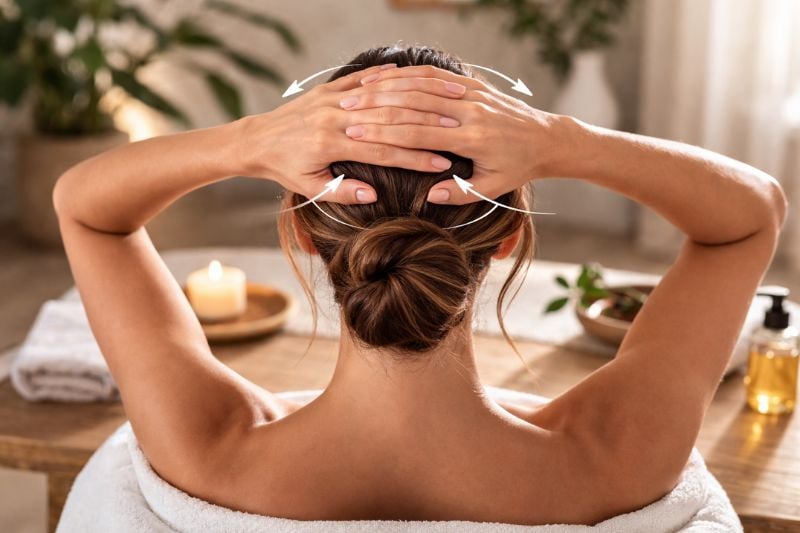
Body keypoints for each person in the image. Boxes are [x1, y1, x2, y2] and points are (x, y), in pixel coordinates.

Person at [53, 45, 786, 525]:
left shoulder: (208, 448)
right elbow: (752, 213)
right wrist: (563, 139)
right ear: (507, 235)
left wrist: (250, 139)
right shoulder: (612, 457)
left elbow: (87, 208)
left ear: (301, 232)